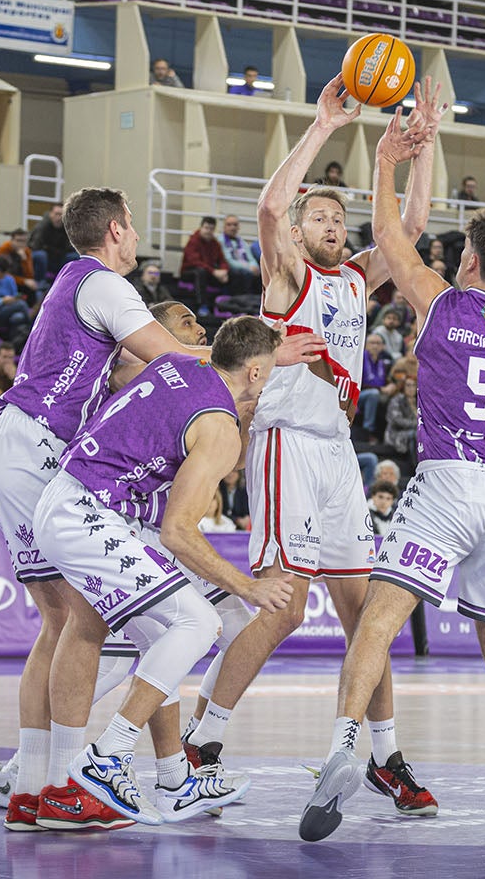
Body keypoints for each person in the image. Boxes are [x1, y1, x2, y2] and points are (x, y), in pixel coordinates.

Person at [0, 186, 322, 829]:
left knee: (76, 624)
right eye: (132, 228)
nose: (137, 240)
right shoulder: (103, 284)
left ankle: (40, 783)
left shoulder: (84, 297)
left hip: (27, 450)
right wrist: (267, 349)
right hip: (40, 454)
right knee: (108, 624)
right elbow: (177, 355)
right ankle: (80, 779)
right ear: (116, 228)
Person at [302, 118, 485, 841]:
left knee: (379, 622)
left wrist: (387, 159)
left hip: (446, 482)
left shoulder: (440, 300)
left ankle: (341, 749)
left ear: (468, 263)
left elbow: (388, 232)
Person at [184, 79, 439, 816]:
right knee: (284, 607)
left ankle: (385, 754)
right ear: (296, 234)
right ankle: (206, 739)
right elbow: (271, 207)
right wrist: (325, 124)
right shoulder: (285, 273)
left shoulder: (356, 277)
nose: (331, 221)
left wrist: (423, 144)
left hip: (337, 454)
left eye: (338, 215)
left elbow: (414, 225)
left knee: (369, 613)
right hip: (285, 443)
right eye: (317, 214)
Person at [36, 319, 290, 825]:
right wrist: (247, 585)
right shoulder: (219, 427)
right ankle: (108, 755)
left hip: (71, 497)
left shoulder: (178, 363)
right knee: (199, 623)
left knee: (163, 638)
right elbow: (178, 531)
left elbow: (119, 377)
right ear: (256, 372)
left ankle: (174, 778)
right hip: (88, 514)